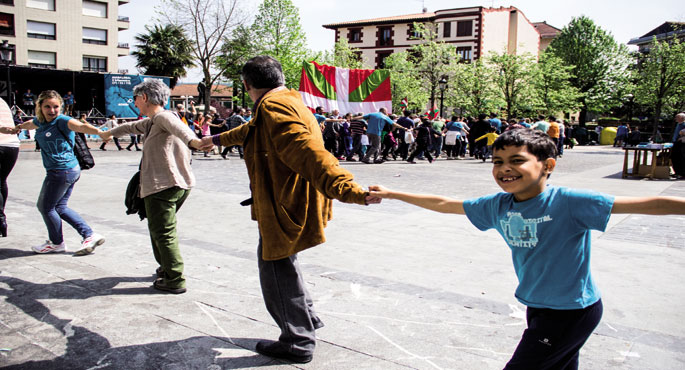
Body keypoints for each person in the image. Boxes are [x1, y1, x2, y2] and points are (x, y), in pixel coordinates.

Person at [369, 128, 685, 370]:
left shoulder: (570, 202)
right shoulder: (499, 205)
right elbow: (444, 203)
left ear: (548, 165)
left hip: (572, 312)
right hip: (538, 306)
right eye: (498, 162)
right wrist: (392, 192)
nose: (505, 169)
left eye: (517, 160)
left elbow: (650, 203)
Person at [200, 55, 379, 364]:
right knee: (284, 263)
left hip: (285, 204)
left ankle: (298, 341)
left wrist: (350, 189)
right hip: (292, 200)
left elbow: (310, 153)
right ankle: (307, 319)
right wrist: (212, 140)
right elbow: (249, 132)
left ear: (247, 85)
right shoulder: (286, 100)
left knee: (275, 268)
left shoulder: (272, 107)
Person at [101, 79, 203, 294]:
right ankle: (166, 268)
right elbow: (130, 127)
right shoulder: (152, 121)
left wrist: (195, 142)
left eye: (136, 98)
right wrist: (108, 134)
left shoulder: (164, 117)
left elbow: (182, 131)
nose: (135, 102)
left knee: (164, 233)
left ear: (145, 97)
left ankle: (174, 278)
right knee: (159, 230)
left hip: (163, 186)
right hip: (176, 184)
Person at [5, 90, 106, 255]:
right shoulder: (40, 121)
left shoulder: (62, 120)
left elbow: (81, 126)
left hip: (61, 171)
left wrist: (100, 132)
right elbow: (30, 124)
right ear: (40, 107)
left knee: (45, 207)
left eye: (56, 107)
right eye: (47, 107)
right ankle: (89, 235)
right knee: (59, 207)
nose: (52, 111)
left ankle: (57, 243)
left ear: (61, 107)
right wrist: (16, 128)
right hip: (68, 170)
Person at [0, 97, 19, 237]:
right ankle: (2, 221)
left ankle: (0, 219)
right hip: (12, 146)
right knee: (2, 181)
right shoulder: (2, 101)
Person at [670, 112, 685, 179]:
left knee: (681, 158)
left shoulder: (684, 124)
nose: (675, 118)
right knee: (674, 157)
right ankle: (677, 172)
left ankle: (682, 173)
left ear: (682, 118)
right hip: (675, 142)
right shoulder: (678, 124)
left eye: (677, 117)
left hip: (682, 143)